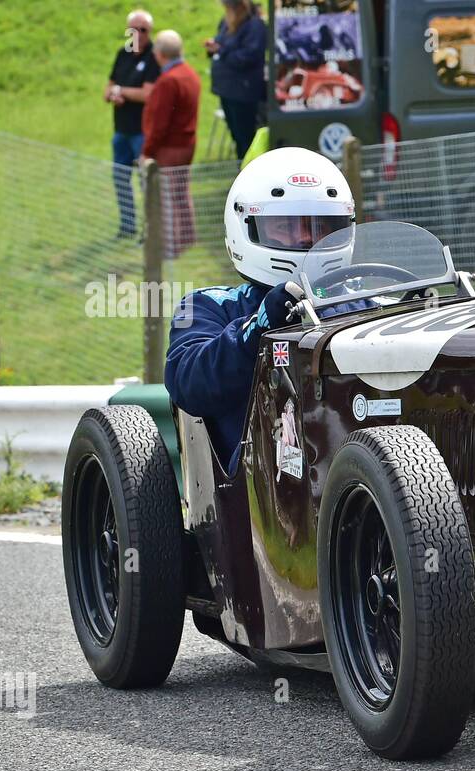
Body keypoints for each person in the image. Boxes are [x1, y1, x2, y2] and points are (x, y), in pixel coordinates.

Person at [165, 148, 356, 475]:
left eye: (323, 227)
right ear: (246, 225)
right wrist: (257, 329)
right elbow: (188, 384)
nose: (308, 239)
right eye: (287, 227)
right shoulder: (211, 306)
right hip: (263, 478)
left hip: (372, 465)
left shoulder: (363, 303)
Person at [141, 30, 201, 258]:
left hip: (170, 147)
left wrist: (147, 151)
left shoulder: (168, 81)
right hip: (187, 144)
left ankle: (172, 246)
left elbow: (159, 122)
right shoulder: (190, 74)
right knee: (181, 193)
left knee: (166, 198)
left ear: (160, 54)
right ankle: (187, 238)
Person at [106, 9, 160, 238]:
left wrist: (121, 91)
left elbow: (148, 94)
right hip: (121, 130)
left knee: (146, 182)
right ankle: (127, 225)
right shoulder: (123, 53)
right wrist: (114, 95)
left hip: (142, 131)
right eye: (134, 29)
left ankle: (150, 230)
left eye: (143, 29)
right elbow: (107, 88)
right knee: (120, 179)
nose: (138, 34)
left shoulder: (154, 57)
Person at [205, 0, 268, 160]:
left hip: (243, 92)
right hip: (226, 90)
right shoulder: (226, 23)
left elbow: (248, 57)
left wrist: (222, 51)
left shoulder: (255, 26)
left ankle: (248, 170)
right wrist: (213, 48)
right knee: (236, 136)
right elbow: (221, 42)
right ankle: (241, 167)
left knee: (245, 137)